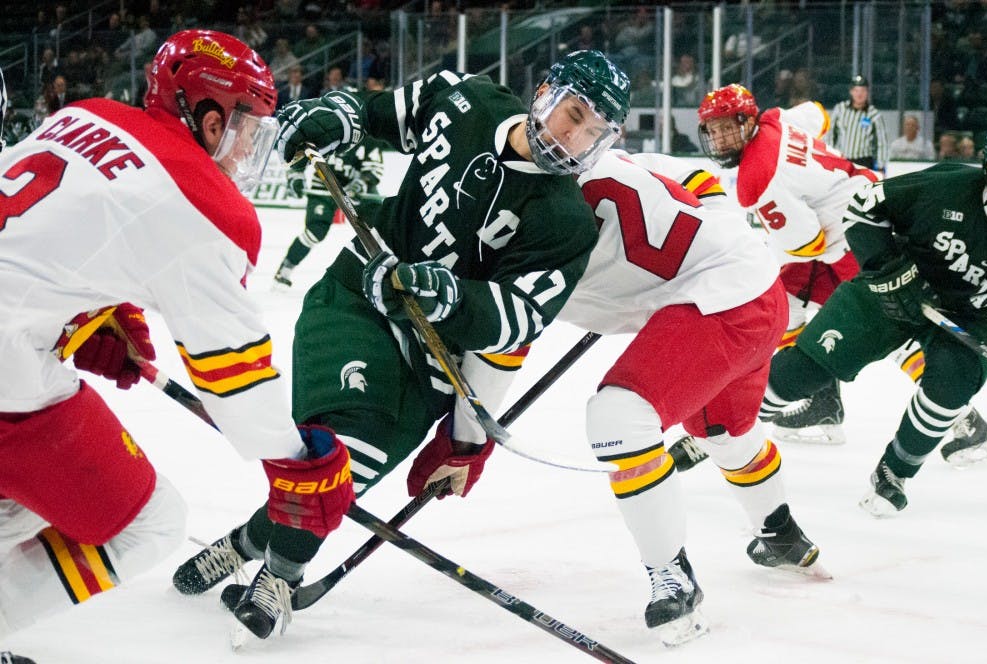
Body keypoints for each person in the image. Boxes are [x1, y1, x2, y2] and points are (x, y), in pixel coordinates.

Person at [171, 49, 631, 640]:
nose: (574, 138)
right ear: (544, 91)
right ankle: (281, 575)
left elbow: (520, 317)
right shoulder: (467, 98)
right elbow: (376, 114)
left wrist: (452, 297)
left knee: (342, 475)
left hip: (432, 366)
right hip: (359, 296)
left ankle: (250, 541)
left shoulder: (566, 221)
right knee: (339, 444)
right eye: (573, 114)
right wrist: (337, 119)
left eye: (593, 132)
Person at [0, 28, 352, 648]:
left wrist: (91, 311)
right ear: (211, 118)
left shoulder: (86, 114)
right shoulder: (203, 203)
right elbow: (234, 377)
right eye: (247, 129)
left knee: (25, 498)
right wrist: (296, 463)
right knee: (149, 525)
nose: (248, 150)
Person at [565, 149, 825, 645]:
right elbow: (700, 178)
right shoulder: (609, 156)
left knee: (619, 417)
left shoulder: (523, 211)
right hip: (753, 287)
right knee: (721, 431)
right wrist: (714, 241)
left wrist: (469, 441)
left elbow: (506, 329)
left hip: (717, 298)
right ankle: (780, 531)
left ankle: (673, 578)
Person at [690, 83, 987, 456]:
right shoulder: (776, 120)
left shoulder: (757, 176)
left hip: (858, 236)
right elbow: (818, 113)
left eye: (727, 127)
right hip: (860, 209)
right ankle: (822, 405)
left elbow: (807, 243)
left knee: (890, 325)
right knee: (785, 303)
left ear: (747, 120)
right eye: (714, 130)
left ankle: (965, 420)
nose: (720, 138)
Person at [762, 123, 987, 516]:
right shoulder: (948, 187)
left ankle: (895, 472)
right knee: (803, 371)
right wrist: (889, 272)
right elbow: (865, 206)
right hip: (892, 289)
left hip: (970, 315)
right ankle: (727, 427)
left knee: (951, 386)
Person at [273, 131, 385, 289]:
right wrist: (296, 177)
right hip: (324, 187)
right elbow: (296, 154)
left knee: (378, 227)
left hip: (354, 192)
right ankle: (285, 268)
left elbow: (373, 169)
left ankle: (381, 274)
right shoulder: (327, 130)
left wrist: (362, 183)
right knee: (315, 231)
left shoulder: (368, 138)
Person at [828, 75, 889, 175]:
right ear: (851, 92)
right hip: (842, 160)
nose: (859, 94)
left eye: (863, 91)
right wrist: (830, 156)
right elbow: (830, 135)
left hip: (864, 162)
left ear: (867, 92)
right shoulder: (840, 109)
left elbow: (881, 142)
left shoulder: (874, 114)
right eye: (856, 90)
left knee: (862, 190)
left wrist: (881, 167)